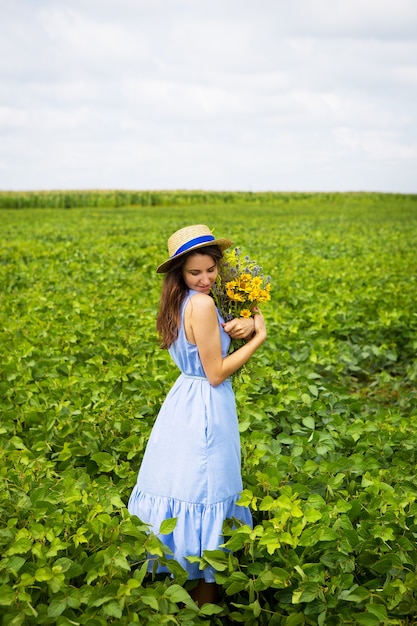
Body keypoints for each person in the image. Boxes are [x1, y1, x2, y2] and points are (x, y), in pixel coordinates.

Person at [128, 224, 267, 606]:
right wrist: (257, 337)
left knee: (184, 488)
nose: (205, 279)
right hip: (206, 404)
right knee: (207, 492)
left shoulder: (181, 300)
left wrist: (243, 321)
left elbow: (207, 345)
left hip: (183, 402)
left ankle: (179, 595)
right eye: (195, 273)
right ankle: (206, 604)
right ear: (180, 274)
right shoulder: (203, 303)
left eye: (211, 269)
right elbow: (216, 371)